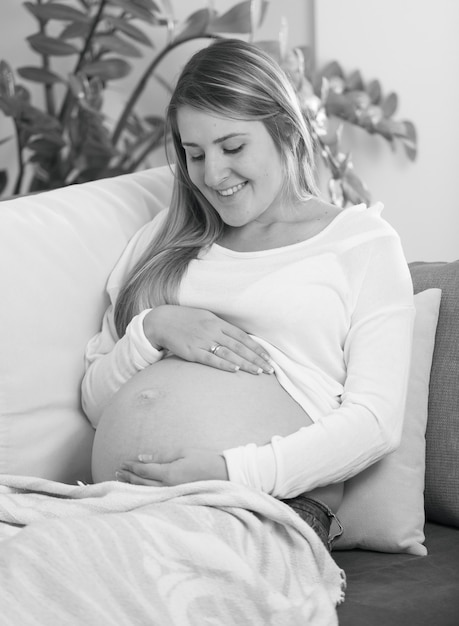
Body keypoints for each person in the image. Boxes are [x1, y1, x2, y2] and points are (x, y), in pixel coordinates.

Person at [81, 38, 415, 551]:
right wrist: (152, 330)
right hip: (117, 501)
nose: (213, 175)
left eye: (233, 148)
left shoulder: (360, 244)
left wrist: (231, 470)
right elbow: (94, 402)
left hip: (265, 500)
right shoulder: (161, 241)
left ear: (284, 130)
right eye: (194, 155)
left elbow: (375, 422)